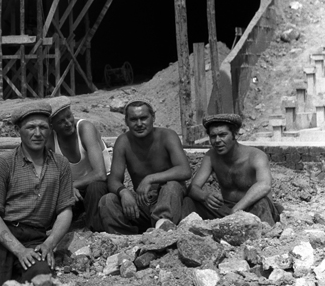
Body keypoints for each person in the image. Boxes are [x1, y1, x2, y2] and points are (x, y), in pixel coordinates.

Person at [0, 101, 74, 286]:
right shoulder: (3, 164)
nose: (37, 133)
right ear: (18, 130)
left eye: (43, 127)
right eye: (30, 127)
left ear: (50, 129)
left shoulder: (61, 165)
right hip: (0, 236)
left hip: (36, 238)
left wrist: (50, 243)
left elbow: (65, 210)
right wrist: (19, 250)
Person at [99, 98, 191, 234]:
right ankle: (124, 240)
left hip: (170, 201)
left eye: (143, 118)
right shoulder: (123, 142)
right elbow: (113, 179)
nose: (139, 124)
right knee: (108, 200)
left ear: (153, 118)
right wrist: (123, 192)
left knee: (172, 186)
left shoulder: (167, 136)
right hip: (143, 203)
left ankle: (163, 229)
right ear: (126, 122)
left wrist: (150, 179)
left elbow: (184, 170)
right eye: (133, 119)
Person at [182, 114, 280, 227]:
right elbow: (193, 188)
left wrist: (237, 209)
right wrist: (205, 196)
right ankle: (183, 233)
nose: (217, 140)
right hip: (226, 209)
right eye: (213, 136)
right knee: (189, 201)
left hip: (252, 209)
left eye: (223, 135)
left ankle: (264, 236)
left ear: (235, 135)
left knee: (261, 202)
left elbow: (265, 185)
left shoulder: (256, 156)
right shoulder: (211, 156)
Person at [49, 97, 110, 231]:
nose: (68, 123)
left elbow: (100, 174)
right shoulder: (50, 140)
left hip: (102, 183)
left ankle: (94, 231)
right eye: (61, 122)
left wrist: (70, 186)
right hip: (76, 189)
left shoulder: (84, 128)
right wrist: (66, 188)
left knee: (95, 188)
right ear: (51, 126)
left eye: (69, 116)